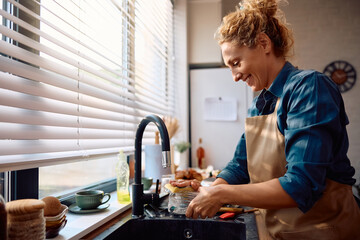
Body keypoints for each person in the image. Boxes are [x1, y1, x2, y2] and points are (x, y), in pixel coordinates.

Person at [183, 0, 360, 239]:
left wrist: (221, 195)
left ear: (264, 43)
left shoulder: (309, 88)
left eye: (236, 63)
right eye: (229, 67)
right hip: (277, 232)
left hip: (323, 231)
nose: (235, 76)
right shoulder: (260, 105)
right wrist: (209, 190)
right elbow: (239, 166)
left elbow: (302, 184)